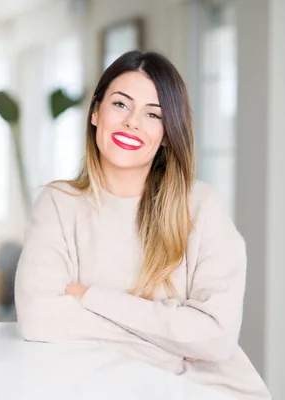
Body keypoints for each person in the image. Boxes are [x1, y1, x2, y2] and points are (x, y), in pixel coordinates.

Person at [14, 50, 271, 399]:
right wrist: (170, 339)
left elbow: (215, 337)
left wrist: (91, 297)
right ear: (95, 112)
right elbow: (38, 316)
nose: (133, 122)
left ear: (166, 134)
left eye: (153, 114)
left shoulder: (201, 206)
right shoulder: (59, 203)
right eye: (121, 105)